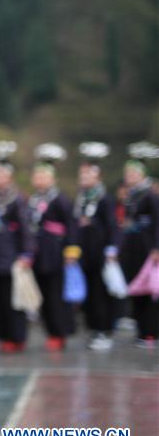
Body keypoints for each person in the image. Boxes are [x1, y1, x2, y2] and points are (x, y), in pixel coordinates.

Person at [0, 141, 34, 353]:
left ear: (10, 178)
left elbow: (25, 229)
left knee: (13, 299)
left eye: (1, 175)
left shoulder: (17, 200)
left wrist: (26, 254)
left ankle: (17, 336)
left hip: (9, 257)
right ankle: (1, 335)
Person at [28, 143, 79, 352]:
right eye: (37, 176)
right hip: (38, 253)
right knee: (44, 295)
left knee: (56, 294)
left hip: (55, 253)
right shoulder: (33, 200)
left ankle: (60, 332)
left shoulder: (60, 199)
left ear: (52, 179)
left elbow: (71, 225)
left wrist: (71, 250)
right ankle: (50, 331)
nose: (39, 180)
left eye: (43, 176)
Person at [74, 142, 121, 351]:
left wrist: (112, 248)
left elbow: (112, 225)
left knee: (101, 292)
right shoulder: (81, 198)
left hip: (100, 253)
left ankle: (104, 330)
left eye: (87, 174)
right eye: (81, 174)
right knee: (90, 294)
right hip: (85, 253)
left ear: (97, 176)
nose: (83, 178)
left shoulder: (104, 198)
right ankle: (94, 328)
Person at [119, 142, 159, 348]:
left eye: (133, 173)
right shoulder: (131, 195)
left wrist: (156, 248)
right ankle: (142, 329)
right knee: (136, 287)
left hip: (147, 247)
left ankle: (151, 331)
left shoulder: (151, 195)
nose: (129, 176)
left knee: (150, 289)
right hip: (132, 246)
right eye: (127, 173)